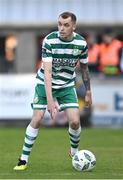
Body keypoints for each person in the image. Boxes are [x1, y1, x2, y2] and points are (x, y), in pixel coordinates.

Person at [13, 11, 92, 170]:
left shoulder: (81, 44)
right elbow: (47, 73)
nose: (61, 28)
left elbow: (84, 69)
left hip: (66, 85)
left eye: (66, 25)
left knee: (75, 121)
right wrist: (50, 101)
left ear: (74, 26)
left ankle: (74, 153)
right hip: (44, 83)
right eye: (60, 24)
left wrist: (88, 91)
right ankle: (23, 159)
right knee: (38, 118)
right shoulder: (49, 41)